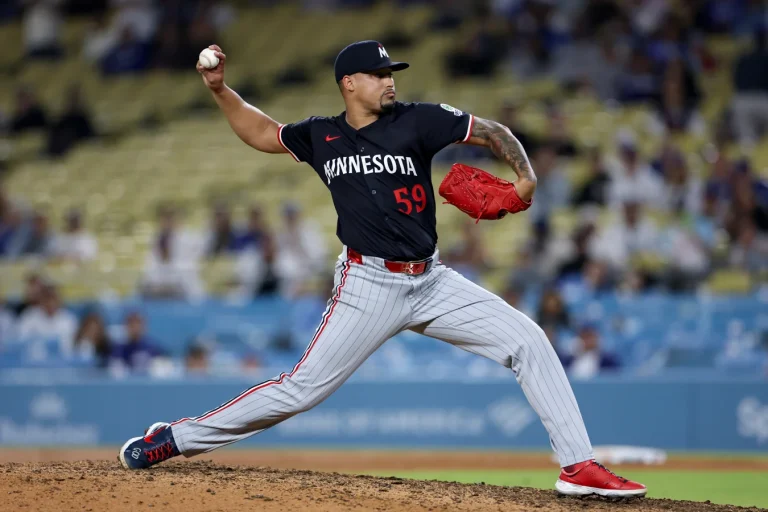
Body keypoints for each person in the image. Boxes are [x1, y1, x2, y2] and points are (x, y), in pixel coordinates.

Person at [118, 40, 646, 498]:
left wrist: (525, 177)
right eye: (379, 74)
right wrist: (219, 90)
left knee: (529, 341)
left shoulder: (417, 119)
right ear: (349, 84)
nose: (389, 82)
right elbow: (262, 132)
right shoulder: (323, 136)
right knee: (302, 390)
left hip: (432, 280)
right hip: (367, 283)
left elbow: (489, 130)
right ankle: (176, 439)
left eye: (391, 73)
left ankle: (578, 465)